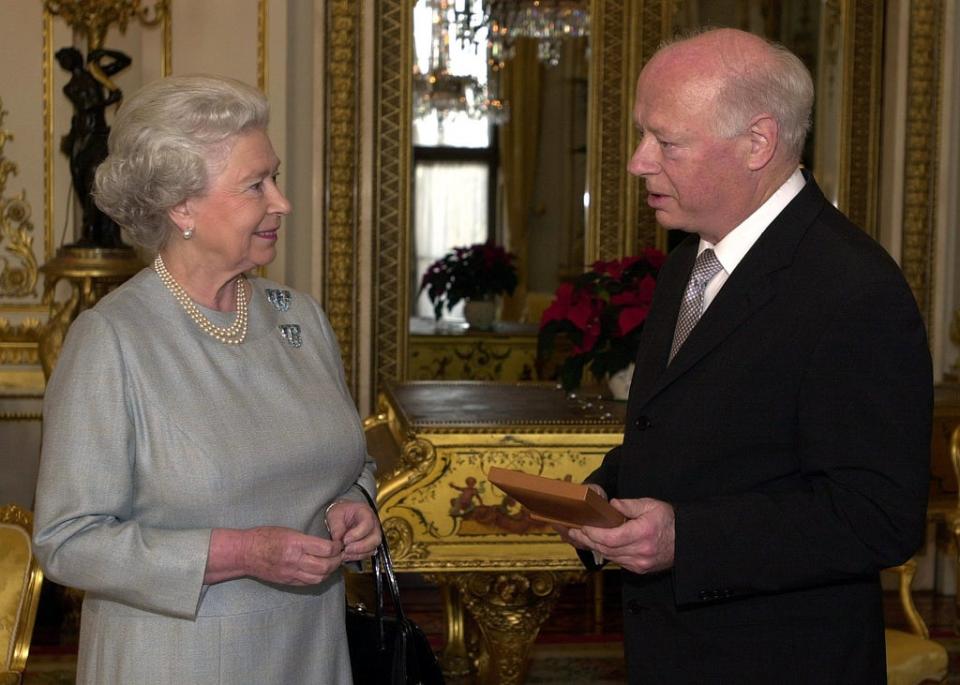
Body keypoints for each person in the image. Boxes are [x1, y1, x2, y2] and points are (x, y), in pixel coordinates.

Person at [556, 28, 932, 683]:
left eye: (666, 141)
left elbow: (878, 515)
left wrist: (686, 539)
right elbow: (688, 435)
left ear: (757, 142)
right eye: (643, 135)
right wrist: (605, 494)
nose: (639, 162)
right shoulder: (687, 267)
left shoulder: (853, 287)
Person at [33, 74, 381, 684]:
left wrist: (356, 504)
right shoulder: (113, 341)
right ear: (181, 205)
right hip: (177, 660)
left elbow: (347, 462)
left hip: (311, 651)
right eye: (256, 185)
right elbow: (67, 540)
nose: (282, 202)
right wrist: (242, 553)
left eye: (274, 177)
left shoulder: (300, 319)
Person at [55, 46, 131, 248]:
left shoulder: (97, 74)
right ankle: (89, 232)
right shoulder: (69, 87)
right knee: (81, 183)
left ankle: (102, 234)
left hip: (99, 136)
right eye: (63, 61)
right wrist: (110, 99)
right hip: (82, 138)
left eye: (66, 58)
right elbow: (88, 105)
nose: (65, 63)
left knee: (98, 182)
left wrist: (103, 54)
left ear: (76, 58)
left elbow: (124, 60)